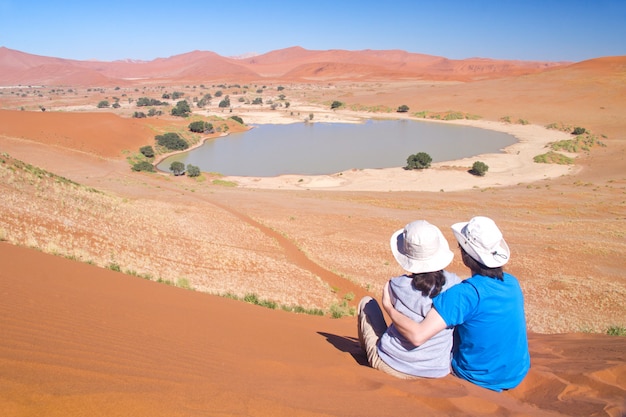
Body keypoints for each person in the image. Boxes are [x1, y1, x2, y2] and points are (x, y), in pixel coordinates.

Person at [382, 216, 530, 391]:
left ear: (466, 256)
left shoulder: (464, 294)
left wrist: (388, 307)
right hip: (518, 373)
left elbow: (418, 336)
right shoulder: (512, 282)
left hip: (477, 378)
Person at [357, 220, 461, 379]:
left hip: (389, 365)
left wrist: (389, 307)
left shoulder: (395, 285)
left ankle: (366, 360)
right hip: (436, 370)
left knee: (366, 303)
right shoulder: (455, 285)